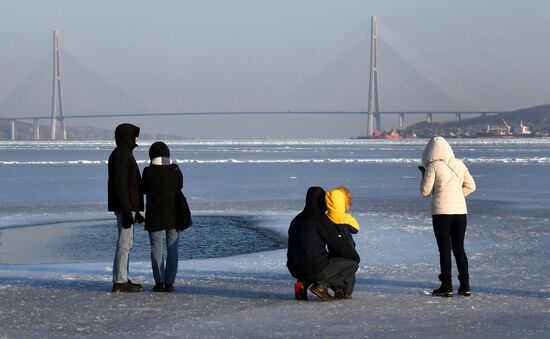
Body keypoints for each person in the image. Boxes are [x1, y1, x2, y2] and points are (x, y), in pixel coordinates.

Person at [419, 136, 476, 297]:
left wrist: (423, 174)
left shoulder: (433, 166)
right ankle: (465, 285)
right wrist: (457, 196)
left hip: (441, 213)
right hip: (460, 213)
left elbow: (425, 191)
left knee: (444, 249)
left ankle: (446, 285)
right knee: (459, 248)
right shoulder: (459, 164)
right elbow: (472, 186)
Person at [287, 186, 360, 301]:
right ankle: (321, 286)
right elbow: (337, 245)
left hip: (293, 268)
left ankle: (302, 283)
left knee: (312, 260)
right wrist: (354, 256)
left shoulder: (296, 220)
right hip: (312, 267)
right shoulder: (320, 220)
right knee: (351, 264)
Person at [141, 142, 184, 292]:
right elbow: (180, 186)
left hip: (154, 215)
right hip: (173, 214)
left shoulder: (148, 171)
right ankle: (170, 282)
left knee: (156, 248)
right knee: (173, 248)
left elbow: (144, 189)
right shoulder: (175, 169)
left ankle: (159, 282)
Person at [108, 123, 144, 293]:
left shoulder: (124, 153)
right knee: (124, 243)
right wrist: (127, 209)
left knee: (127, 242)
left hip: (128, 206)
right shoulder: (122, 155)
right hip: (125, 206)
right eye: (134, 135)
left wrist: (135, 210)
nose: (137, 138)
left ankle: (122, 278)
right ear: (127, 136)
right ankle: (120, 281)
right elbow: (121, 184)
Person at [325, 187, 361, 299]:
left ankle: (337, 288)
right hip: (348, 249)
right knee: (350, 269)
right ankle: (347, 291)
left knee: (336, 268)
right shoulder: (346, 218)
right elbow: (355, 229)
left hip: (333, 249)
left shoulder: (325, 218)